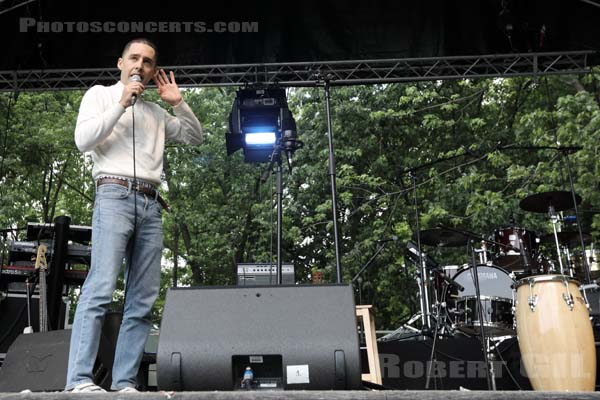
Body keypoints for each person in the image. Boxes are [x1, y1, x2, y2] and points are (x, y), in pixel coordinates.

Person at [65, 38, 203, 392]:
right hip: (113, 194)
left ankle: (125, 381)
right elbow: (83, 140)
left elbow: (194, 137)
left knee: (142, 298)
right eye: (134, 58)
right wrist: (121, 105)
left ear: (154, 71)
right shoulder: (99, 95)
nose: (140, 65)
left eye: (148, 61)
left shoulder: (156, 113)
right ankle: (79, 379)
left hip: (151, 203)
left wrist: (180, 104)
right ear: (121, 63)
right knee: (100, 287)